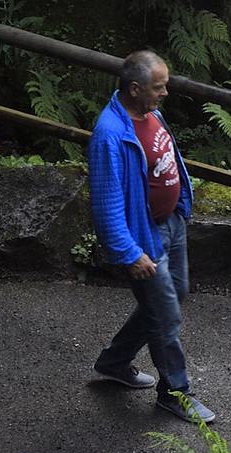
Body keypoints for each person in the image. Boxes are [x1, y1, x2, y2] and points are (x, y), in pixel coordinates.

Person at [88, 49, 214, 425]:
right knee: (166, 316)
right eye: (159, 87)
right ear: (134, 87)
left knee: (175, 294)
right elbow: (106, 201)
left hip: (171, 223)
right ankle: (176, 394)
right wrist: (129, 252)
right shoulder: (109, 134)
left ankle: (113, 361)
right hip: (143, 236)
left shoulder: (151, 114)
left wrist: (180, 204)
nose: (165, 93)